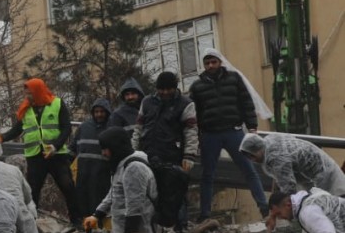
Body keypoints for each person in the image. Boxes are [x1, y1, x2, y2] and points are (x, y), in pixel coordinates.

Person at [188, 48, 268, 219]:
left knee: (248, 169)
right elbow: (192, 113)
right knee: (207, 174)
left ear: (219, 62)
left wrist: (252, 126)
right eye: (207, 63)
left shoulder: (234, 79)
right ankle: (205, 213)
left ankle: (263, 206)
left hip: (233, 131)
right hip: (210, 134)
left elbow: (246, 102)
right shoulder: (197, 86)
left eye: (213, 62)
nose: (211, 66)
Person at [2, 78, 81, 226]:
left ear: (38, 92)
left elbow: (66, 128)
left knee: (67, 185)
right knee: (33, 190)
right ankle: (30, 221)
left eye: (30, 94)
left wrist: (56, 146)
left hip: (56, 155)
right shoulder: (26, 108)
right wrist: (2, 137)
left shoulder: (57, 104)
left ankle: (76, 219)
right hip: (35, 156)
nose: (28, 97)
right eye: (26, 94)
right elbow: (17, 129)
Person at [240, 133, 345, 197]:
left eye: (252, 156)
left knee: (335, 202)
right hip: (313, 175)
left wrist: (277, 208)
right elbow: (278, 178)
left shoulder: (277, 157)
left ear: (258, 149)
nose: (253, 160)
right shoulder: (269, 144)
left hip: (324, 174)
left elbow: (288, 187)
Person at [133, 71, 198, 173]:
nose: (165, 92)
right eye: (161, 89)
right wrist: (134, 151)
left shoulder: (186, 104)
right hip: (147, 155)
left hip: (172, 157)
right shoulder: (146, 102)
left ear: (175, 87)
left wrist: (189, 156)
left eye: (169, 89)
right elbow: (138, 128)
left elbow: (191, 132)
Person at [71, 98, 112, 217]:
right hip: (84, 173)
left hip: (103, 174)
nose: (99, 114)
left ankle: (99, 226)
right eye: (96, 111)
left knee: (100, 202)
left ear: (107, 112)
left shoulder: (111, 127)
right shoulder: (84, 127)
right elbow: (73, 147)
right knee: (83, 200)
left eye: (102, 111)